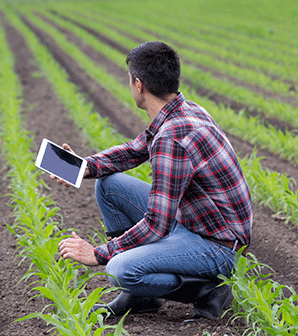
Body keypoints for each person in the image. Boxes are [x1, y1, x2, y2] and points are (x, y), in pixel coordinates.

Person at [55, 41, 252, 319]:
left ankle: (207, 289)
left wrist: (99, 253)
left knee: (119, 268)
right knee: (110, 186)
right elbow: (136, 148)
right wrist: (85, 166)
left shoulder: (172, 138)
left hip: (217, 246)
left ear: (138, 85)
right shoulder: (185, 110)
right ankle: (140, 299)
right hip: (197, 222)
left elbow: (156, 224)